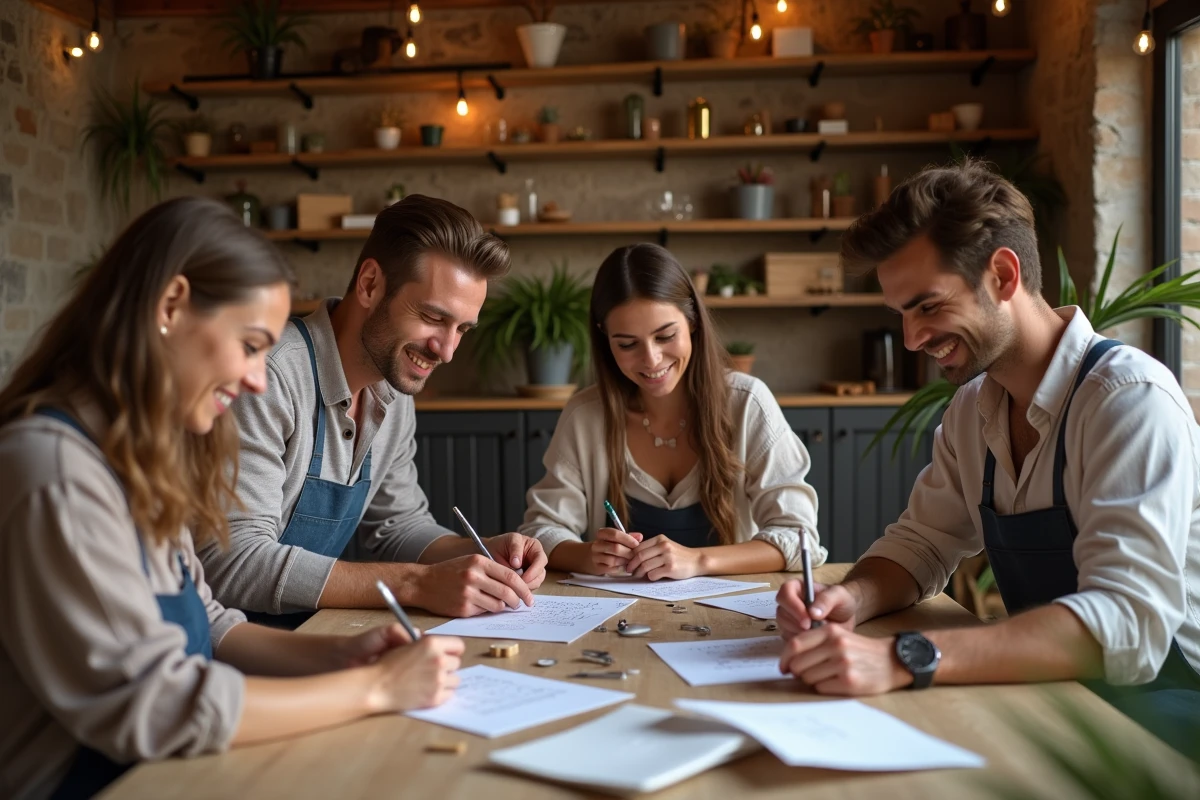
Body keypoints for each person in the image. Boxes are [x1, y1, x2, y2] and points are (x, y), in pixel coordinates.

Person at [0, 197, 464, 800]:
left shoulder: (138, 458)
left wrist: (343, 656)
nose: (256, 378)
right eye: (248, 345)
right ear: (171, 306)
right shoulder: (54, 472)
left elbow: (211, 624)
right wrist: (374, 691)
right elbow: (154, 705)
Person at [774, 161, 1200, 756]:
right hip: (1051, 700)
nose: (911, 339)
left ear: (1002, 274)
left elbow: (1127, 622)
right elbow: (921, 544)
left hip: (1161, 723)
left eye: (927, 306)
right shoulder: (973, 409)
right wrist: (849, 599)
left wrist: (905, 656)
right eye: (901, 314)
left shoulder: (1128, 401)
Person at [198, 195, 548, 627]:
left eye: (461, 329)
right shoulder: (268, 377)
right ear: (369, 284)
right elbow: (233, 563)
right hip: (224, 650)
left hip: (307, 632)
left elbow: (398, 527)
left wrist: (480, 550)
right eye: (432, 317)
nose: (447, 350)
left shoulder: (394, 392)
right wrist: (415, 584)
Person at [521, 243, 824, 579]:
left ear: (692, 320)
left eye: (665, 336)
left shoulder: (747, 402)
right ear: (605, 340)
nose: (651, 359)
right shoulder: (586, 416)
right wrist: (587, 555)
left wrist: (697, 561)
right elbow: (540, 532)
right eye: (627, 344)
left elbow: (799, 539)